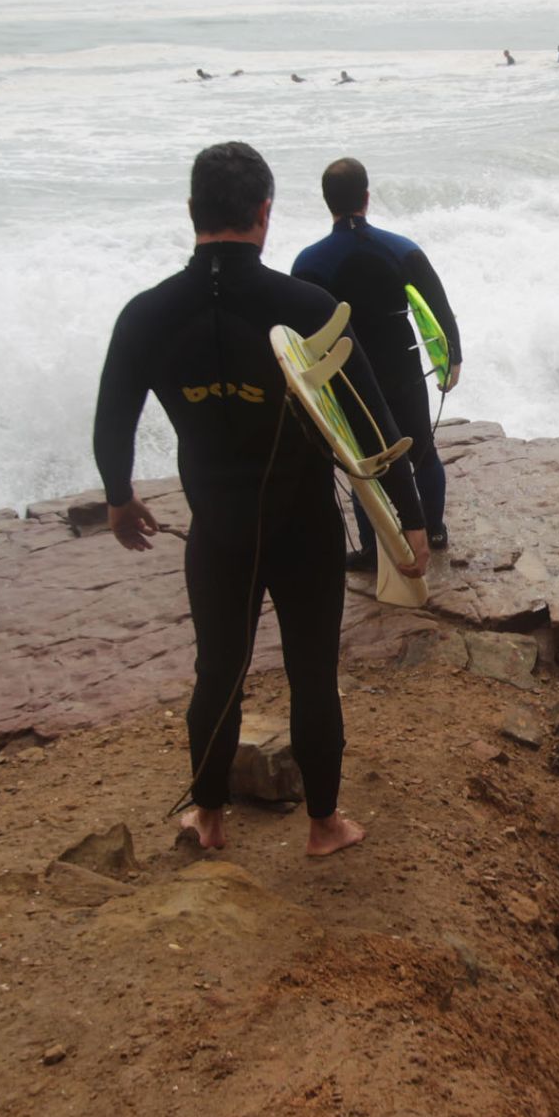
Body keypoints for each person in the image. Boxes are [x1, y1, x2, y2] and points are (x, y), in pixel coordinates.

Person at [93, 141, 428, 857]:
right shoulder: (307, 307)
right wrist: (411, 523)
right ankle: (323, 825)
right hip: (302, 523)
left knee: (217, 670)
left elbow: (111, 420)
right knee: (313, 673)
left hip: (217, 527)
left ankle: (210, 818)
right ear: (265, 213)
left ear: (192, 212)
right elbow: (376, 423)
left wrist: (120, 499)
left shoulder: (146, 314)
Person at [292, 158, 462, 560]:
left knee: (363, 462)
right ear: (367, 197)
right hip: (403, 368)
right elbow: (438, 306)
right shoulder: (401, 249)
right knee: (421, 450)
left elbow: (300, 335)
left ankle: (373, 548)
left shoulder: (309, 263)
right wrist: (452, 358)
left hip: (348, 377)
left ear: (327, 201)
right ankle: (433, 529)